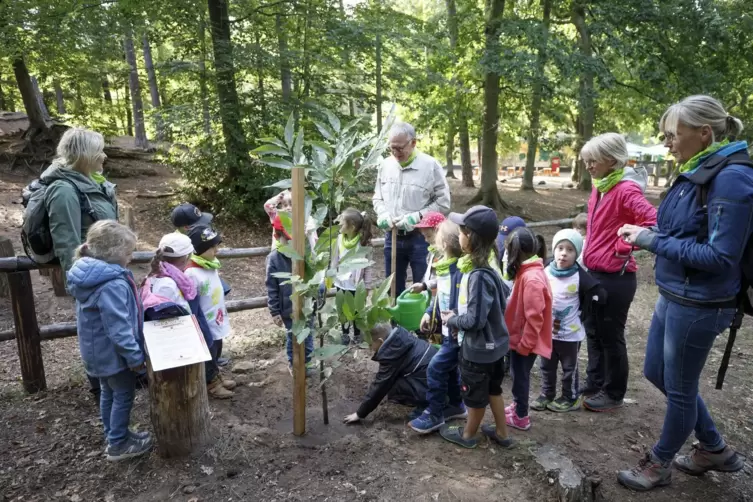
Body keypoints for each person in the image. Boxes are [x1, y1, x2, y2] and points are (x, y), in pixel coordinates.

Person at [616, 95, 749, 491]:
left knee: (679, 388)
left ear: (704, 133)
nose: (666, 143)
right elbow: (683, 230)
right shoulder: (699, 168)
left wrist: (651, 241)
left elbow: (722, 256)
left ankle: (659, 463)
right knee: (656, 371)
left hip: (702, 303)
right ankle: (713, 448)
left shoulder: (732, 178)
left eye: (673, 135)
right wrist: (651, 236)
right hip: (676, 293)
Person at [580, 132, 657, 412]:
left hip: (616, 276)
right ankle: (594, 383)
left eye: (593, 160)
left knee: (611, 335)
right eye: (586, 160)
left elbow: (652, 221)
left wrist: (622, 247)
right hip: (594, 272)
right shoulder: (600, 185)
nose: (588, 166)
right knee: (593, 331)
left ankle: (613, 394)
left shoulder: (626, 189)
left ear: (611, 160)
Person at [42, 127, 119, 403]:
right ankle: (100, 387)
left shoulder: (94, 183)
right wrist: (79, 284)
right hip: (91, 279)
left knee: (115, 325)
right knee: (96, 331)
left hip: (110, 275)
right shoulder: (64, 190)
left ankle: (118, 381)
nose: (104, 155)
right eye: (99, 150)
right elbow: (67, 243)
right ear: (84, 154)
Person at [66, 220, 152, 461]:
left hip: (96, 352)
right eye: (128, 252)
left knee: (107, 392)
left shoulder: (88, 274)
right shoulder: (111, 284)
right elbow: (118, 328)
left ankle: (115, 434)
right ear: (113, 253)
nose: (131, 257)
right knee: (123, 394)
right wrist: (134, 357)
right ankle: (118, 444)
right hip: (113, 355)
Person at [437, 206, 513, 449]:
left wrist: (452, 319)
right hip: (496, 347)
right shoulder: (490, 271)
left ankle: (468, 435)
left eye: (461, 232)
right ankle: (502, 432)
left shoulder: (477, 276)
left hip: (478, 350)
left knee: (475, 396)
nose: (458, 237)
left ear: (470, 238)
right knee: (494, 390)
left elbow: (474, 321)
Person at [140, 233, 235, 399]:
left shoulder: (170, 275)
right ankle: (208, 385)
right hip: (180, 334)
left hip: (190, 324)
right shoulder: (167, 283)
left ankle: (213, 378)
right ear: (185, 257)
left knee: (212, 351)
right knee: (203, 356)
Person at [372, 122, 451, 295]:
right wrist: (383, 214)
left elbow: (444, 203)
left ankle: (424, 321)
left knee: (423, 285)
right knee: (392, 287)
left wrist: (417, 218)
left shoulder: (430, 166)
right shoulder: (385, 165)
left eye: (400, 148)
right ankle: (396, 322)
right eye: (391, 148)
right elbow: (378, 197)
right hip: (392, 236)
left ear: (413, 143)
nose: (395, 153)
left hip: (422, 238)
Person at [531, 229, 604, 413]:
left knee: (569, 368)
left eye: (570, 250)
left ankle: (569, 397)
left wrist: (594, 302)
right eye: (560, 248)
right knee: (546, 366)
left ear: (577, 254)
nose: (563, 253)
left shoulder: (580, 276)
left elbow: (598, 293)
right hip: (547, 332)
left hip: (570, 334)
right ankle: (547, 394)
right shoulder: (545, 270)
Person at [408, 219, 466, 433]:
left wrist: (454, 323)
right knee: (448, 369)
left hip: (455, 332)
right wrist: (427, 313)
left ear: (445, 243)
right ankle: (456, 405)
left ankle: (435, 412)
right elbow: (440, 294)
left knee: (435, 368)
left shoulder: (459, 271)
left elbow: (462, 301)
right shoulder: (444, 268)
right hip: (445, 329)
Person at [503, 227, 552, 431]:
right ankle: (517, 405)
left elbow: (535, 318)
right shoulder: (528, 271)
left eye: (507, 250)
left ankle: (521, 416)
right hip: (520, 339)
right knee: (517, 375)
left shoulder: (531, 279)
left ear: (515, 251)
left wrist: (525, 344)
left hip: (526, 342)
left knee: (520, 377)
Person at [343, 324, 438, 424]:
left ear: (380, 341)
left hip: (432, 385)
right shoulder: (400, 337)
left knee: (393, 387)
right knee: (393, 380)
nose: (370, 348)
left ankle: (426, 407)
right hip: (437, 376)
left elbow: (380, 385)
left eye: (370, 344)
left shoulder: (391, 354)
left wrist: (360, 413)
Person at [265, 216, 315, 375]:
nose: (291, 243)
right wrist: (274, 311)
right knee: (293, 337)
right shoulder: (273, 259)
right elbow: (271, 287)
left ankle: (306, 362)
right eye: (287, 239)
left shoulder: (304, 254)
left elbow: (314, 279)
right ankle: (293, 364)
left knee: (307, 336)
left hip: (306, 307)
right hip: (287, 309)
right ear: (278, 236)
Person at [185, 225, 233, 384]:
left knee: (217, 348)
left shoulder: (211, 265)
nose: (217, 251)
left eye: (217, 246)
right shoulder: (191, 272)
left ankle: (215, 375)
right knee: (208, 352)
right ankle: (210, 383)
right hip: (205, 322)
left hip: (216, 318)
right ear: (200, 249)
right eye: (212, 248)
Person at [332, 208, 374, 345]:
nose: (339, 225)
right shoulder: (338, 240)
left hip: (356, 285)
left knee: (356, 310)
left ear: (352, 227)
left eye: (342, 223)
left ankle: (357, 334)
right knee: (342, 309)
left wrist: (367, 285)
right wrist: (331, 276)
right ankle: (345, 334)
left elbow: (368, 267)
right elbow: (334, 260)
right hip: (340, 283)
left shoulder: (364, 243)